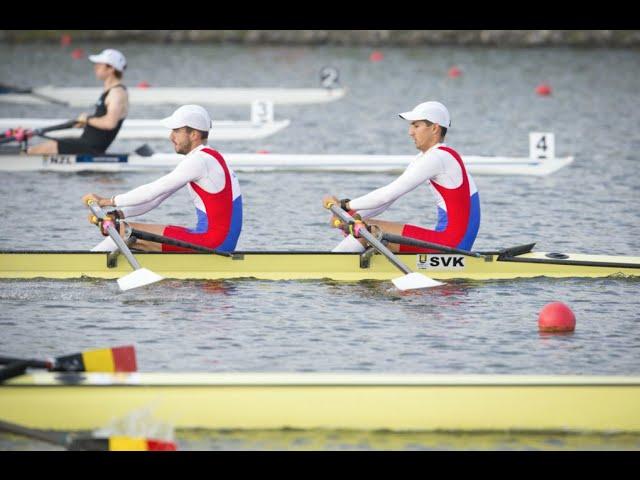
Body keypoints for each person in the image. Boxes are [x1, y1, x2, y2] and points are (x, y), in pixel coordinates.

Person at [323, 101, 480, 253]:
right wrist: (350, 217)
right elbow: (388, 200)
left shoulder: (439, 158)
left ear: (434, 128)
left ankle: (327, 267)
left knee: (369, 231)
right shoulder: (426, 157)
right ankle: (343, 264)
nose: (410, 132)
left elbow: (386, 195)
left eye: (416, 126)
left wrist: (346, 206)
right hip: (447, 240)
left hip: (452, 244)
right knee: (361, 226)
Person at [82, 104, 243, 253]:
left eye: (176, 131)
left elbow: (151, 191)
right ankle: (95, 262)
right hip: (213, 239)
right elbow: (155, 200)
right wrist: (118, 213)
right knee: (118, 226)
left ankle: (87, 266)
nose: (170, 136)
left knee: (121, 230)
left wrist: (107, 201)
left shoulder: (199, 161)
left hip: (214, 243)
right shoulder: (207, 158)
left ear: (194, 134)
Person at [28, 48, 129, 155]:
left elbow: (110, 123)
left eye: (100, 65)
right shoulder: (111, 91)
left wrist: (87, 119)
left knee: (41, 149)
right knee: (47, 145)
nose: (95, 67)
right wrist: (87, 123)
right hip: (86, 143)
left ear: (111, 68)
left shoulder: (116, 93)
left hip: (92, 148)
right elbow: (102, 120)